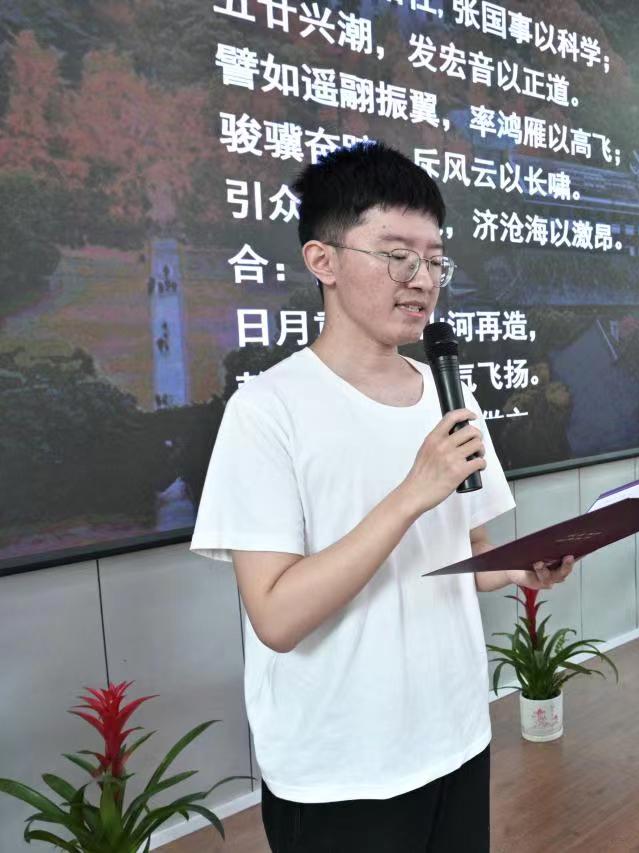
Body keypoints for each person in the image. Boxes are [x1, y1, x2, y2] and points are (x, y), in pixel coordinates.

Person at [191, 142, 573, 852]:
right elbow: (276, 615)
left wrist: (519, 566)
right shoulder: (268, 409)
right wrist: (409, 496)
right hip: (340, 768)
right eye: (397, 256)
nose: (421, 280)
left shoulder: (447, 394)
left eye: (434, 260)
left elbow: (464, 554)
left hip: (455, 733)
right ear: (323, 261)